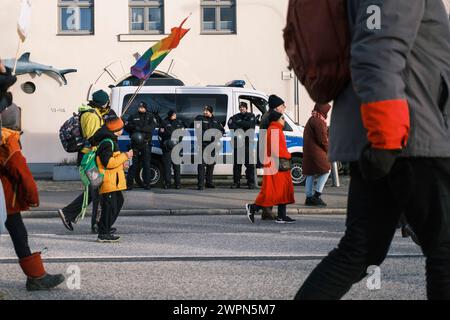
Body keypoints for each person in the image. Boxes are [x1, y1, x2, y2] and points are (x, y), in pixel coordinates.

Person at [295, 0, 450, 300]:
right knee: (445, 248)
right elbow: (377, 51)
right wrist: (387, 138)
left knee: (360, 252)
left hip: (392, 132)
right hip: (410, 134)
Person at [1, 121, 65, 290]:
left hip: (5, 200)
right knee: (19, 235)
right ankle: (36, 277)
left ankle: (36, 276)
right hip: (5, 199)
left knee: (19, 233)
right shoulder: (7, 141)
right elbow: (21, 170)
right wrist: (32, 197)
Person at [58, 90, 111, 233]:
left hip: (88, 157)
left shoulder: (90, 113)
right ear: (103, 102)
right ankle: (97, 225)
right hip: (89, 159)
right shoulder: (92, 116)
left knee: (94, 190)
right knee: (98, 191)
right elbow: (93, 139)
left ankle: (70, 214)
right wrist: (107, 134)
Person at [246, 112, 296, 224]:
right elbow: (275, 149)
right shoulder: (275, 130)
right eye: (282, 118)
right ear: (277, 119)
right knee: (274, 191)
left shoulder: (275, 129)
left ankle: (281, 216)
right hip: (277, 165)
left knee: (280, 191)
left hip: (276, 165)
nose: (284, 120)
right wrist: (288, 155)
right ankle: (254, 207)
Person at [95, 116, 133, 243]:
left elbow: (113, 161)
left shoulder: (111, 141)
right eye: (121, 128)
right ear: (116, 129)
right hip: (108, 180)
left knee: (118, 202)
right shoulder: (107, 142)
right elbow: (108, 163)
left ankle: (105, 227)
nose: (122, 130)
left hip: (113, 180)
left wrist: (122, 163)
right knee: (109, 207)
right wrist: (125, 156)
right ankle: (103, 233)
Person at [257, 94, 288, 220]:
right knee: (270, 184)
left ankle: (266, 211)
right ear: (276, 107)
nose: (284, 107)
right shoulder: (269, 117)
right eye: (282, 105)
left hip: (269, 153)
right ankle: (262, 208)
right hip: (270, 154)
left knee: (270, 184)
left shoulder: (271, 115)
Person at [302, 103, 332, 207]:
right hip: (316, 151)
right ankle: (317, 195)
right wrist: (329, 150)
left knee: (310, 173)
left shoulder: (312, 118)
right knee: (327, 170)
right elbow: (322, 140)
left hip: (309, 150)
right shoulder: (319, 121)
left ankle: (309, 197)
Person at [125, 101, 159, 190]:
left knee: (146, 164)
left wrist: (141, 129)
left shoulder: (150, 116)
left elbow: (152, 127)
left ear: (145, 108)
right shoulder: (133, 116)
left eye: (142, 107)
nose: (141, 109)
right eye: (139, 107)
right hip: (135, 144)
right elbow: (127, 126)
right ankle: (129, 184)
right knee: (133, 164)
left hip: (146, 143)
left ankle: (147, 184)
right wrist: (133, 127)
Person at [195, 105, 225, 190]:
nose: (204, 112)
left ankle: (209, 182)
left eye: (206, 111)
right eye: (204, 110)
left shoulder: (216, 121)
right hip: (203, 145)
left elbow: (222, 131)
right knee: (201, 165)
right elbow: (199, 132)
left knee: (211, 165)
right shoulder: (199, 119)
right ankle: (200, 184)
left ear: (211, 112)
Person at [228, 102, 256, 189]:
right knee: (237, 164)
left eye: (243, 107)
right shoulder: (235, 116)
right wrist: (243, 125)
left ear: (246, 108)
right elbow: (231, 125)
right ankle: (236, 182)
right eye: (240, 107)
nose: (242, 109)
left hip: (248, 143)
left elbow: (250, 125)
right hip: (238, 143)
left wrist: (238, 123)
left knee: (249, 164)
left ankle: (250, 183)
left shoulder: (251, 116)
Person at [159, 110, 185, 189]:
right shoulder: (164, 122)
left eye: (175, 114)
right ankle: (167, 183)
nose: (175, 116)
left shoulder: (179, 122)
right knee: (167, 166)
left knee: (176, 166)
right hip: (167, 147)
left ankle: (178, 184)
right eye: (173, 115)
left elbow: (182, 134)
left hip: (177, 146)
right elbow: (161, 133)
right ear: (170, 115)